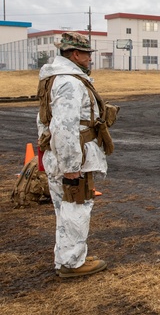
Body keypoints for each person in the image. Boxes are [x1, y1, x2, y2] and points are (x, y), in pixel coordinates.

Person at [37, 32, 117, 278]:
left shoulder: (56, 78)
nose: (90, 59)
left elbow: (45, 121)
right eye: (87, 54)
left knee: (66, 208)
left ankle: (69, 257)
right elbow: (64, 126)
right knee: (76, 207)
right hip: (73, 159)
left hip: (63, 155)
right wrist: (71, 166)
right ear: (75, 54)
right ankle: (72, 263)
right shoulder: (69, 82)